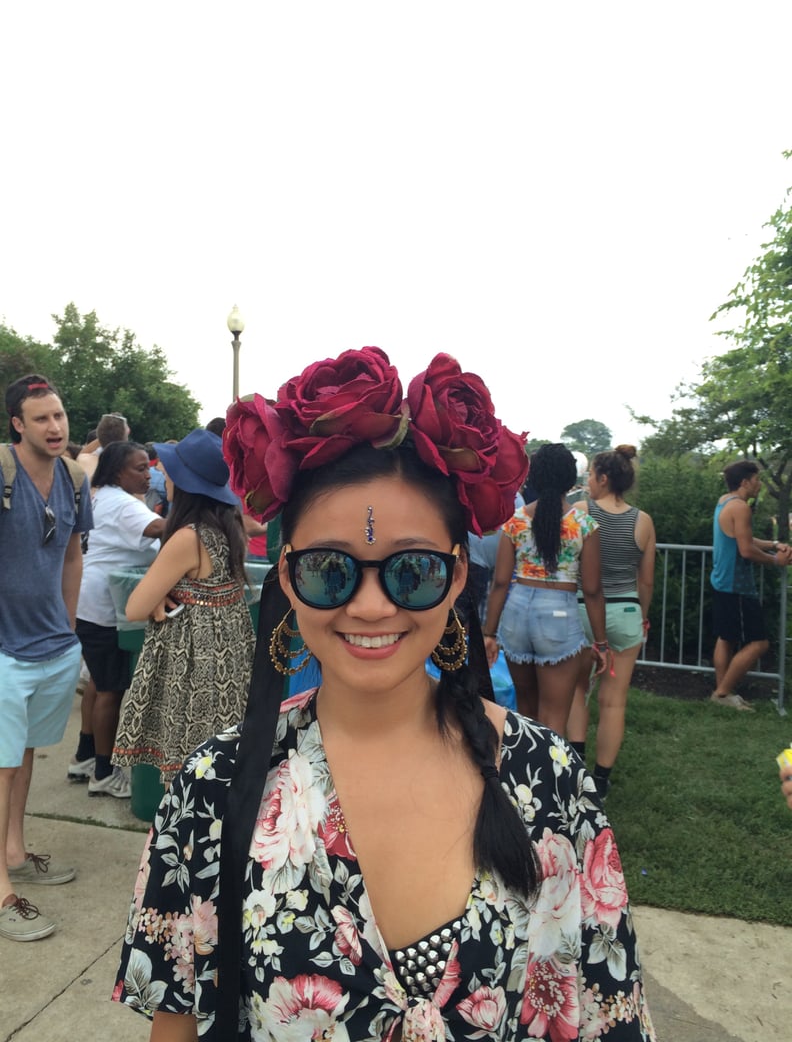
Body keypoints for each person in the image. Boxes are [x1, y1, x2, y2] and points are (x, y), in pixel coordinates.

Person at [112, 350, 655, 1040]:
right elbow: (177, 1023)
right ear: (286, 576)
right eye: (330, 570)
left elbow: (610, 1015)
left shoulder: (549, 783)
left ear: (458, 578)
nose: (371, 607)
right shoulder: (212, 787)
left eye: (414, 571)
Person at [0, 374, 93, 943]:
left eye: (58, 416)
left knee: (26, 756)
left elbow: (73, 555)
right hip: (5, 649)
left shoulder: (75, 478)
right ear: (18, 424)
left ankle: (14, 849)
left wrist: (69, 624)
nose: (55, 427)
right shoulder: (3, 472)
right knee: (2, 765)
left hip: (53, 646)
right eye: (42, 418)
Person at [112, 429, 255, 785]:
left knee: (189, 770)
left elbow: (134, 607)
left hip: (194, 666)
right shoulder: (230, 526)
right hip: (229, 660)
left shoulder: (188, 537)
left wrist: (158, 594)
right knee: (216, 765)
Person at [484, 443, 608, 735]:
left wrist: (489, 633)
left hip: (516, 615)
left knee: (524, 711)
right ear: (570, 479)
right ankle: (552, 779)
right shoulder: (583, 525)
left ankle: (520, 778)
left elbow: (500, 582)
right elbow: (591, 590)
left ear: (534, 478)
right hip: (558, 617)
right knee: (554, 718)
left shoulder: (515, 522)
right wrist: (601, 643)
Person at [70, 442, 166, 797]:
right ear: (117, 472)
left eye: (148, 467)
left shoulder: (103, 496)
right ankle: (104, 773)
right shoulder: (123, 503)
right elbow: (160, 529)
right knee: (111, 688)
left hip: (90, 603)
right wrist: (199, 519)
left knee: (98, 682)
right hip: (103, 607)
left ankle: (84, 756)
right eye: (139, 468)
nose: (147, 474)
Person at [567, 445, 656, 798]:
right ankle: (601, 783)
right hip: (627, 614)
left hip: (583, 612)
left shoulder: (580, 512)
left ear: (603, 478)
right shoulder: (644, 521)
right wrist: (643, 616)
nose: (587, 481)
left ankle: (576, 772)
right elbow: (646, 580)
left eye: (590, 474)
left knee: (577, 692)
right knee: (614, 702)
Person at [710, 460, 792, 711]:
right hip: (737, 585)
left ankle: (722, 695)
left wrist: (772, 543)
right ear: (745, 482)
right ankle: (722, 694)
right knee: (759, 643)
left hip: (721, 581)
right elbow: (745, 550)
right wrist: (776, 560)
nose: (759, 484)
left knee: (726, 638)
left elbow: (742, 536)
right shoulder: (741, 508)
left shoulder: (725, 501)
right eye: (757, 479)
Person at [76, 412, 130, 482]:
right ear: (127, 433)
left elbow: (82, 454)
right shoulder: (129, 465)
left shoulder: (83, 459)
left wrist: (105, 432)